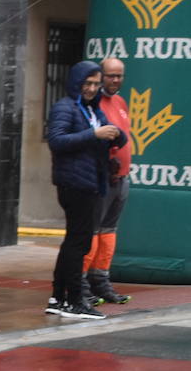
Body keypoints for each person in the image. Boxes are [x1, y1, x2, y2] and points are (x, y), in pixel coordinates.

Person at [45, 61, 126, 320]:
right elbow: (57, 140)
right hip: (74, 183)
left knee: (74, 241)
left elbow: (111, 135)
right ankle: (75, 300)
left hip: (92, 182)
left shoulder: (91, 109)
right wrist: (95, 135)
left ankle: (59, 298)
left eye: (95, 84)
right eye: (87, 84)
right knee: (79, 243)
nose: (92, 89)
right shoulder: (65, 107)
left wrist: (116, 135)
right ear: (76, 82)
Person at [82, 57, 133, 305]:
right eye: (110, 75)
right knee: (92, 231)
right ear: (101, 75)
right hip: (102, 178)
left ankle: (101, 281)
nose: (115, 80)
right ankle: (81, 283)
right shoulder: (93, 103)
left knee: (108, 231)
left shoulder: (121, 102)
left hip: (122, 178)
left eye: (119, 75)